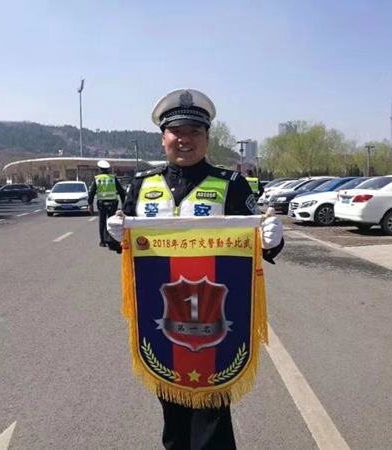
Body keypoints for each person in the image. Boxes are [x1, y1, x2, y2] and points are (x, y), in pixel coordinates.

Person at [107, 88, 284, 450]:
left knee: (213, 418)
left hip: (217, 317)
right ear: (163, 138)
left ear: (207, 139)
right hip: (160, 316)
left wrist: (271, 240)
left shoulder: (231, 185)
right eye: (176, 132)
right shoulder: (142, 185)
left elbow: (258, 243)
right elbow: (126, 244)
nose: (184, 139)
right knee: (172, 416)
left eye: (194, 132)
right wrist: (116, 235)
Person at [87, 160, 126, 247]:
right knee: (112, 221)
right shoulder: (113, 178)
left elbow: (92, 192)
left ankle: (102, 241)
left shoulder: (97, 178)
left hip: (102, 204)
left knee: (102, 222)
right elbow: (121, 191)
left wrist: (90, 204)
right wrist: (124, 203)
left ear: (99, 169)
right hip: (112, 203)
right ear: (108, 169)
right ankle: (113, 240)